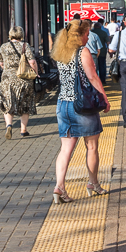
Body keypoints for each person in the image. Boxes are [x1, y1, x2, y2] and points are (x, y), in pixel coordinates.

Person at [51, 18, 111, 203]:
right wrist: (104, 98)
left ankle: (59, 187)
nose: (88, 37)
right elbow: (92, 77)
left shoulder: (61, 51)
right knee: (91, 146)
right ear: (80, 35)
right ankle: (93, 183)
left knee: (65, 149)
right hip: (82, 106)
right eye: (86, 34)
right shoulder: (82, 52)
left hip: (63, 104)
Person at [0, 25, 39, 139]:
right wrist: (36, 73)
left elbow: (1, 63)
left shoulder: (3, 47)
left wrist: (9, 70)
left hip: (7, 79)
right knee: (25, 103)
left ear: (10, 34)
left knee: (8, 103)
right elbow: (32, 62)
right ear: (21, 34)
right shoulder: (25, 46)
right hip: (23, 78)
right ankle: (23, 130)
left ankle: (9, 125)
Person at [91, 19, 110, 84]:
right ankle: (103, 79)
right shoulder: (104, 33)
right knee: (102, 65)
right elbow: (108, 42)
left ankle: (96, 80)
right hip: (102, 51)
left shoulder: (91, 33)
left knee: (94, 66)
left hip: (93, 52)